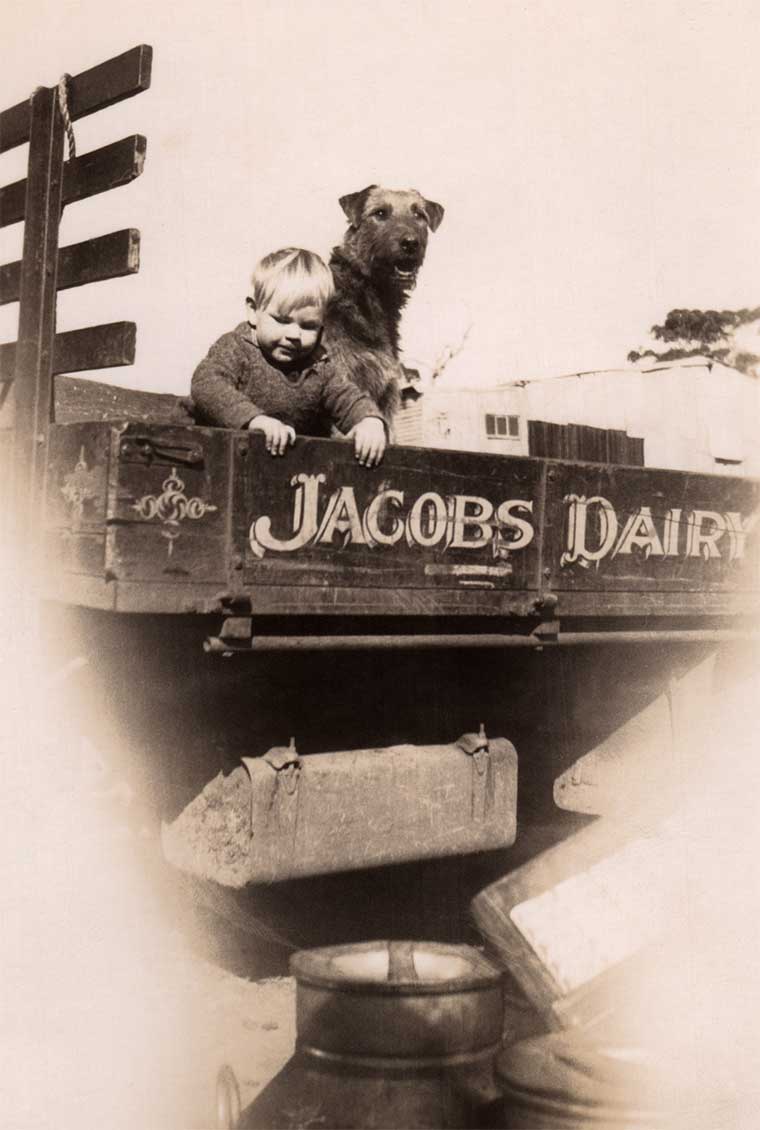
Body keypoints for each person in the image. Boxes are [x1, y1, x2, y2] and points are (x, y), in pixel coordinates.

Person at [191, 248, 387, 466]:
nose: (294, 335)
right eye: (282, 320)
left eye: (309, 325)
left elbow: (347, 398)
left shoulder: (319, 366)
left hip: (277, 469)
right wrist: (254, 420)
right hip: (212, 460)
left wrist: (369, 421)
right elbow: (207, 384)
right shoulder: (236, 348)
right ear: (253, 311)